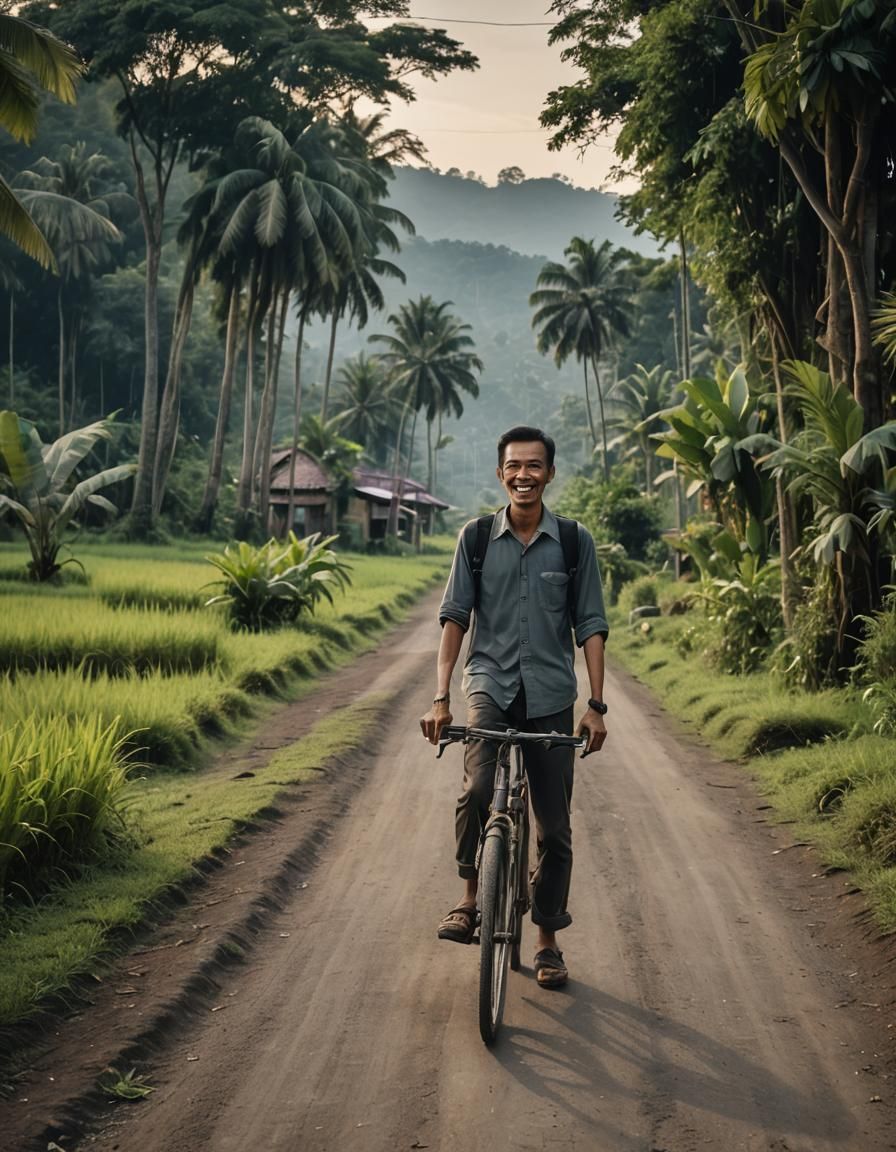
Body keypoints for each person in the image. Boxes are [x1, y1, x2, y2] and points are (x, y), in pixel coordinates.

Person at [420, 425, 609, 989]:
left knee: (555, 828)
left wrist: (596, 704)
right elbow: (454, 617)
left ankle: (548, 939)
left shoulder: (575, 542)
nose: (523, 475)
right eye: (513, 466)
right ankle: (470, 895)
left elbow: (591, 625)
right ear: (500, 473)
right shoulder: (475, 538)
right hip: (489, 684)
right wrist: (440, 697)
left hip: (552, 692)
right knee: (477, 790)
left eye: (534, 466)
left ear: (550, 473)